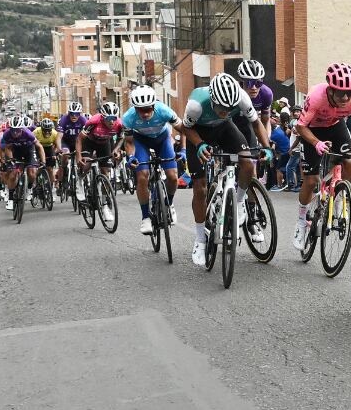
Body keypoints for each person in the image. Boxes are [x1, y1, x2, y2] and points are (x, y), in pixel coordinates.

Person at [178, 74, 272, 266]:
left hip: (224, 128)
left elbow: (256, 123)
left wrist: (267, 147)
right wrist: (199, 144)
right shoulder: (196, 104)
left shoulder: (242, 98)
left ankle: (239, 201)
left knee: (247, 162)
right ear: (213, 99)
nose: (225, 111)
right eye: (221, 107)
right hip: (199, 132)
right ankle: (200, 240)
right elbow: (185, 128)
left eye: (229, 108)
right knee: (199, 188)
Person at [291, 63, 351, 251]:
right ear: (330, 90)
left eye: (349, 92)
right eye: (340, 93)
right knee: (311, 181)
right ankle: (301, 221)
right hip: (311, 130)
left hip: (336, 127)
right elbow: (300, 127)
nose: (345, 98)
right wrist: (316, 143)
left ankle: (340, 197)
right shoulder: (316, 97)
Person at [123, 85, 184, 237]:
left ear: (154, 105)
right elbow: (129, 142)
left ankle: (169, 204)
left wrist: (183, 150)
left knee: (173, 177)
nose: (145, 113)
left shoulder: (164, 111)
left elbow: (184, 129)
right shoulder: (128, 117)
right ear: (135, 108)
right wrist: (131, 157)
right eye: (140, 110)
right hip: (141, 142)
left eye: (148, 109)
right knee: (142, 176)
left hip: (162, 140)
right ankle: (145, 217)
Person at [77, 101, 124, 215]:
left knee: (106, 172)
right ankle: (80, 180)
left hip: (104, 143)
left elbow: (121, 138)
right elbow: (79, 139)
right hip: (89, 142)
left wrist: (116, 149)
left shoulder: (119, 124)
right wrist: (79, 156)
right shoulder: (93, 121)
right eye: (109, 119)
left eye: (114, 118)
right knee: (86, 165)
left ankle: (104, 205)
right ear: (102, 117)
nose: (112, 121)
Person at [0, 115, 46, 211]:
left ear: (21, 129)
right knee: (13, 174)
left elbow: (40, 147)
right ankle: (10, 199)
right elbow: (6, 148)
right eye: (13, 130)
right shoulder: (7, 134)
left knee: (32, 173)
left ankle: (29, 188)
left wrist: (43, 161)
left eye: (17, 130)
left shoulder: (28, 134)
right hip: (16, 152)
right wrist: (10, 159)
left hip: (29, 151)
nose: (15, 133)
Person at [56, 102, 87, 191]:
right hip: (66, 142)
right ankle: (64, 174)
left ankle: (81, 176)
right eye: (72, 113)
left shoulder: (83, 120)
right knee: (65, 156)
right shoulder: (64, 119)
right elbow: (59, 137)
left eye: (76, 114)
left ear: (80, 114)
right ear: (68, 113)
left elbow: (88, 136)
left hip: (78, 143)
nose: (74, 116)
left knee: (82, 159)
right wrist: (59, 149)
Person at [33, 116, 60, 193]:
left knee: (50, 169)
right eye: (45, 130)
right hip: (37, 148)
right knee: (38, 167)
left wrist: (54, 154)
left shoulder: (54, 133)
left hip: (49, 148)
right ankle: (35, 183)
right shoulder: (36, 132)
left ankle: (50, 187)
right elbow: (31, 145)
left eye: (49, 130)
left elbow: (56, 145)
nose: (47, 132)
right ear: (41, 129)